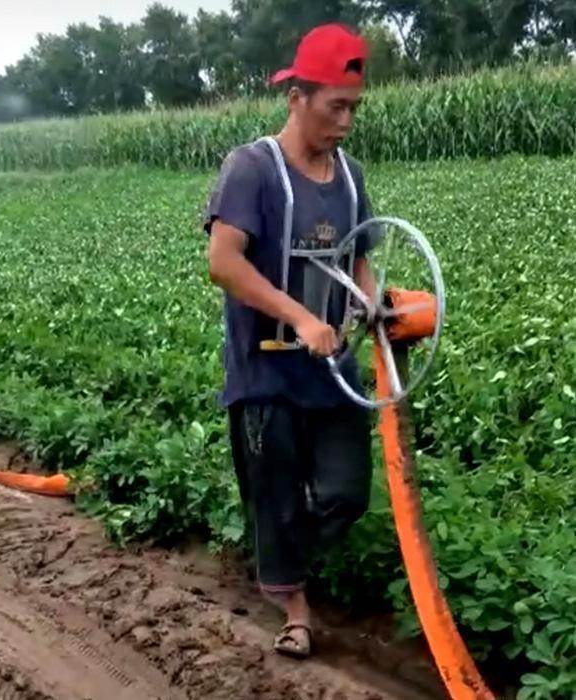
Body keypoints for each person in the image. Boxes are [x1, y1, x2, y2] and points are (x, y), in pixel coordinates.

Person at [204, 23, 378, 659]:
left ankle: (280, 536)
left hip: (331, 372)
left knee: (345, 494)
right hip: (267, 373)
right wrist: (299, 318)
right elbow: (224, 262)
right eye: (336, 106)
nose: (346, 121)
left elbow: (359, 257)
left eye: (353, 107)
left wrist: (374, 302)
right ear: (297, 96)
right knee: (276, 491)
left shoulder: (351, 176)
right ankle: (296, 608)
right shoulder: (251, 169)